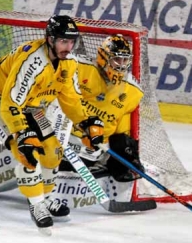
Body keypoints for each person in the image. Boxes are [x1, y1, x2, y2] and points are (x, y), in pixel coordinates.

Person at [0, 15, 104, 235]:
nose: (68, 46)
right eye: (63, 41)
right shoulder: (33, 60)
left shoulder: (69, 62)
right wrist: (21, 131)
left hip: (31, 105)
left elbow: (71, 99)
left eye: (71, 41)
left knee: (53, 153)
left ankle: (43, 199)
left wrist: (85, 123)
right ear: (50, 39)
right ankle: (37, 206)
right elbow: (9, 102)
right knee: (26, 151)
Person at [59, 34, 152, 206]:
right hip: (64, 137)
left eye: (125, 61)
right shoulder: (79, 67)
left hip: (95, 147)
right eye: (116, 59)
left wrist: (126, 153)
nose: (121, 65)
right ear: (103, 57)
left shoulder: (132, 90)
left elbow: (121, 128)